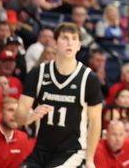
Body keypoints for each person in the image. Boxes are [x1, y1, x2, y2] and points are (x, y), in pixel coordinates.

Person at [17, 22, 103, 168]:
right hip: (41, 150)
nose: (70, 42)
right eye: (65, 38)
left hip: (72, 152)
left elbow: (95, 122)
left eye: (74, 38)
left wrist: (90, 159)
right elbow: (19, 117)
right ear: (55, 43)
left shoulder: (89, 79)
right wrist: (30, 117)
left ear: (79, 45)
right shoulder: (37, 73)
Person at [0, 97, 36, 168]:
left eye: (17, 111)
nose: (15, 115)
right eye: (10, 110)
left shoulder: (23, 138)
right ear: (0, 113)